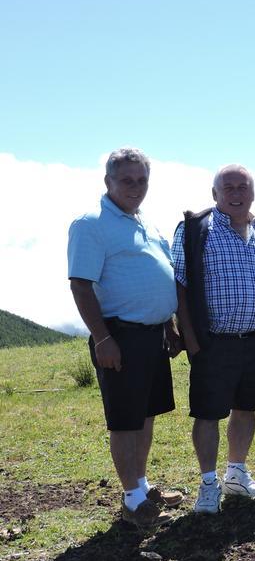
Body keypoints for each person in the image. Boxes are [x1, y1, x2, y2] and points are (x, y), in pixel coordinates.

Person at [67, 147, 184, 529]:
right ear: (108, 182)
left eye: (141, 180)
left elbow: (159, 276)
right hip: (119, 334)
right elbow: (81, 286)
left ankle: (141, 485)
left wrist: (168, 323)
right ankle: (132, 500)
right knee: (125, 421)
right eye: (127, 180)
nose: (135, 187)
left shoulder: (144, 223)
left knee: (145, 415)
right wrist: (102, 338)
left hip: (151, 336)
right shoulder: (91, 224)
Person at [172, 165, 255, 513]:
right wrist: (191, 338)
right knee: (208, 413)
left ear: (252, 193)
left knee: (246, 407)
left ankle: (237, 473)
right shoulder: (195, 229)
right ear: (215, 194)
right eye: (227, 187)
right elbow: (180, 285)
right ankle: (208, 484)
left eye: (242, 187)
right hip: (212, 341)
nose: (236, 193)